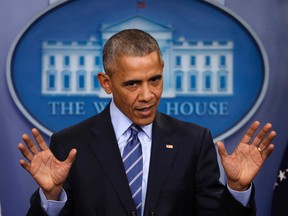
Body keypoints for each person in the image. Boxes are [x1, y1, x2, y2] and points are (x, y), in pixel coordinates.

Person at [18, 29, 276, 216]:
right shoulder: (70, 143)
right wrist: (51, 198)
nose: (147, 95)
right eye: (132, 84)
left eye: (155, 79)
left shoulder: (193, 141)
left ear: (163, 68)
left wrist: (237, 189)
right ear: (106, 83)